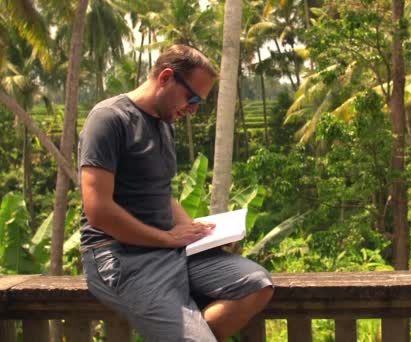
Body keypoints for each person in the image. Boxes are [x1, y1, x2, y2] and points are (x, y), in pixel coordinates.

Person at [78, 44, 273, 342]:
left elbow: (160, 193)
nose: (193, 110)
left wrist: (194, 231)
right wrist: (166, 238)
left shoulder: (164, 123)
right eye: (192, 98)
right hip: (119, 257)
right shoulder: (109, 119)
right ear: (166, 77)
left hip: (167, 251)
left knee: (255, 284)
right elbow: (99, 210)